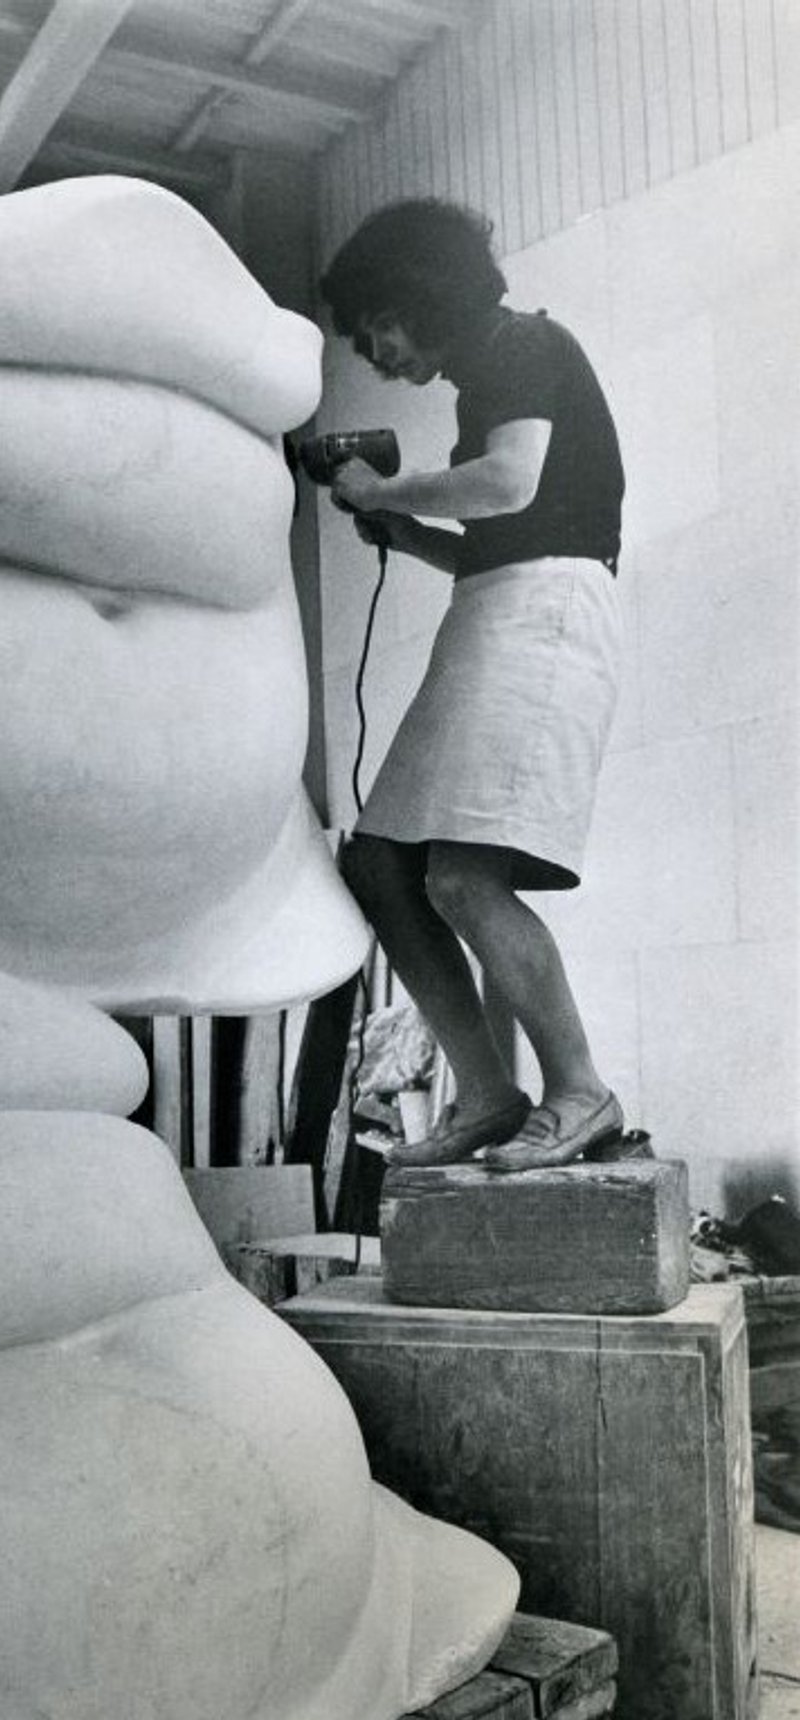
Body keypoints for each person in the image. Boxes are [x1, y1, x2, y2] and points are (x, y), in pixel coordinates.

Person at [320, 198, 626, 1171]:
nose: (375, 350)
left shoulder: (524, 343)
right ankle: (489, 1091)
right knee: (380, 865)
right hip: (499, 602)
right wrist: (406, 532)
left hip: (549, 613)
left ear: (420, 289)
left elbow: (510, 486)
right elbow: (498, 536)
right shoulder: (480, 379)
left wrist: (382, 493)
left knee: (460, 874)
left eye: (378, 322)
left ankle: (580, 1087)